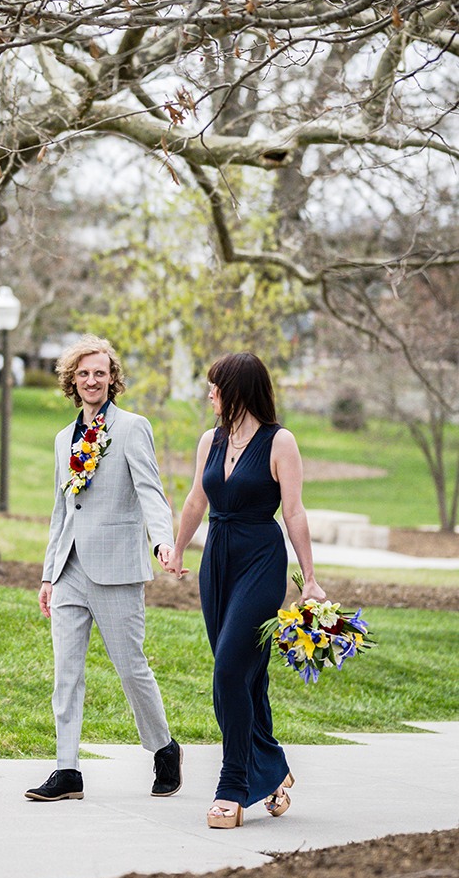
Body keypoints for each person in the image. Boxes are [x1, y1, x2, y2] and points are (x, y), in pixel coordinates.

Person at [159, 351, 326, 828]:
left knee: (230, 668)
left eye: (215, 386)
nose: (209, 393)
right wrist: (177, 549)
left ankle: (233, 783)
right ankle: (273, 769)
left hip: (260, 559)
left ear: (237, 390)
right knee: (248, 676)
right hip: (217, 563)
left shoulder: (280, 441)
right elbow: (196, 499)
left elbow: (293, 512)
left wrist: (309, 579)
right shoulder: (210, 440)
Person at [26, 335, 182, 802]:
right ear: (72, 381)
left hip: (117, 569)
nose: (92, 380)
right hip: (70, 569)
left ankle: (163, 747)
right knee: (66, 674)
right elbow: (62, 509)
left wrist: (163, 541)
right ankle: (67, 770)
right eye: (83, 373)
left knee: (131, 668)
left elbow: (152, 492)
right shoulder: (62, 439)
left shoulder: (133, 428)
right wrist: (49, 574)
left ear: (112, 378)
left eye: (100, 373)